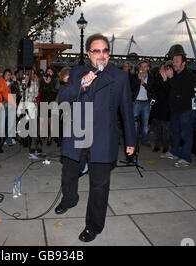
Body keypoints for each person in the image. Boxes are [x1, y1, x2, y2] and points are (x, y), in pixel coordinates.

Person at [55, 33, 136, 242]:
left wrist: (131, 141)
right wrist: (81, 85)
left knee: (99, 185)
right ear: (89, 53)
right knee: (69, 173)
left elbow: (127, 110)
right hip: (78, 134)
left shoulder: (119, 77)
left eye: (105, 50)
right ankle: (70, 199)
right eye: (97, 51)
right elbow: (61, 99)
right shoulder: (77, 73)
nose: (101, 55)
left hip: (103, 138)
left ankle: (94, 225)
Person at [160, 45, 196, 168]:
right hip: (175, 110)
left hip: (186, 110)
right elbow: (170, 91)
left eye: (177, 61)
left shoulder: (188, 76)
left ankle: (186, 158)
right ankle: (174, 152)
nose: (174, 64)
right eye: (174, 61)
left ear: (184, 63)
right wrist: (165, 79)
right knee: (174, 132)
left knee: (186, 135)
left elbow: (180, 92)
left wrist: (170, 78)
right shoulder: (175, 76)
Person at [130, 60, 155, 147]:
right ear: (139, 67)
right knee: (135, 123)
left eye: (145, 66)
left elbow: (152, 90)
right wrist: (138, 79)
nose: (143, 68)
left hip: (146, 103)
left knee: (145, 124)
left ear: (148, 68)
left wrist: (144, 84)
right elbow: (131, 88)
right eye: (141, 66)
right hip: (136, 102)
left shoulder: (151, 78)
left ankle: (144, 140)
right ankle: (135, 141)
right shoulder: (134, 76)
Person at [151, 61, 171, 154]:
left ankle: (166, 146)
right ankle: (157, 145)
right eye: (161, 69)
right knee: (157, 129)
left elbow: (169, 91)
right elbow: (153, 90)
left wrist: (165, 80)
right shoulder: (156, 78)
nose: (162, 70)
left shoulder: (170, 79)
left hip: (166, 108)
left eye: (164, 69)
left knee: (165, 129)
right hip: (157, 107)